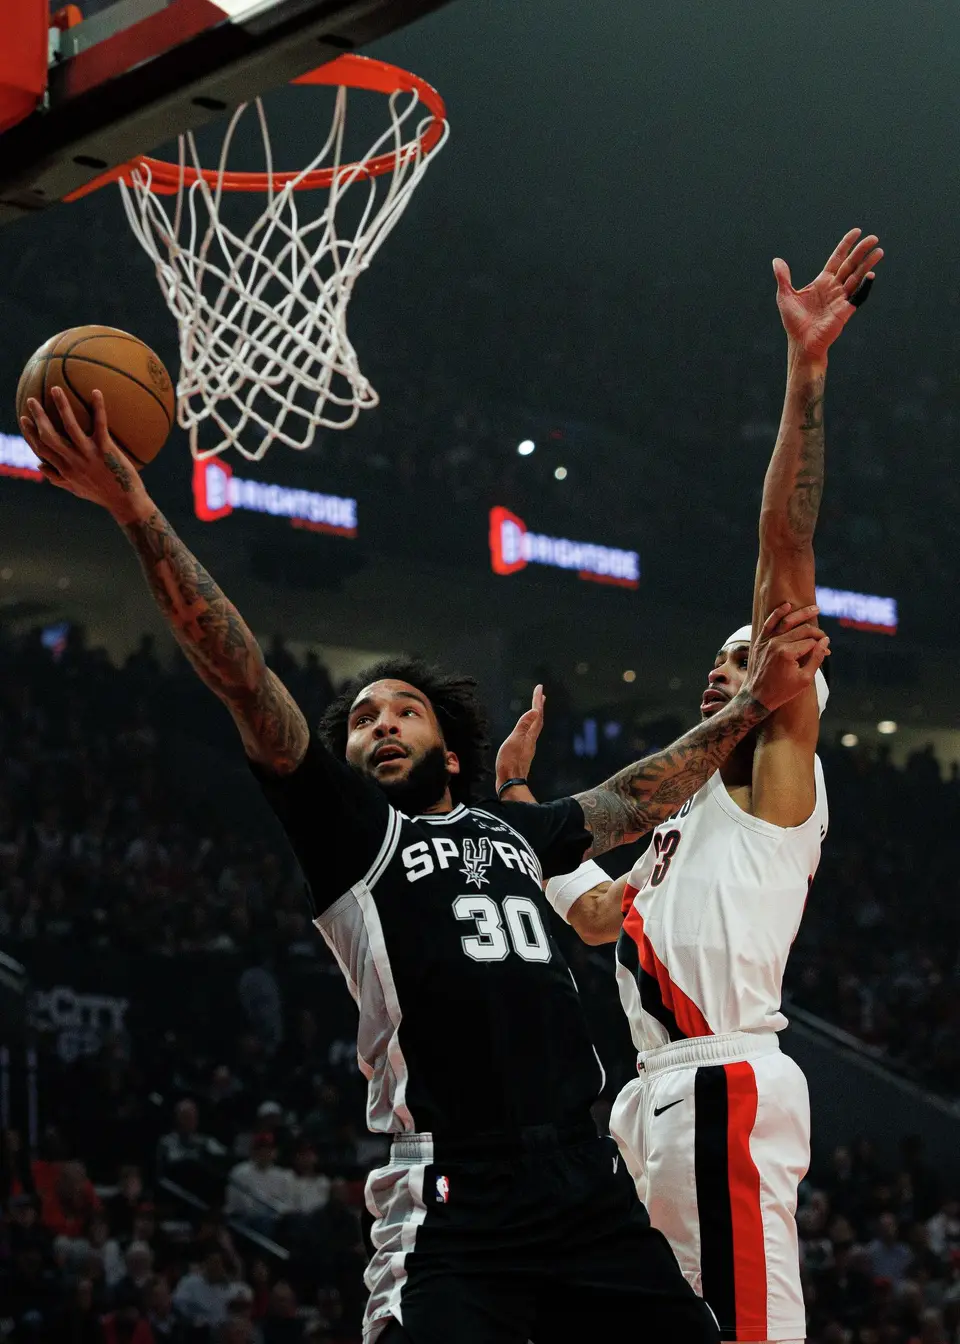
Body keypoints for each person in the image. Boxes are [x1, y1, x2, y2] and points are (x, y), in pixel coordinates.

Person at [21, 385, 829, 1344]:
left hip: (587, 1181)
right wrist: (137, 511)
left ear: (453, 751)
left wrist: (748, 711)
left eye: (401, 709)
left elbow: (634, 798)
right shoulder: (353, 835)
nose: (377, 723)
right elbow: (240, 672)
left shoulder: (508, 838)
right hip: (457, 1191)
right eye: (360, 719)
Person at [496, 227, 882, 1344]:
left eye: (747, 653)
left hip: (720, 1086)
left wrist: (806, 372)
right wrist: (523, 817)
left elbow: (783, 547)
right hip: (653, 1095)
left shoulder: (772, 781)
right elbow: (602, 914)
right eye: (716, 660)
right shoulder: (680, 826)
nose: (728, 663)